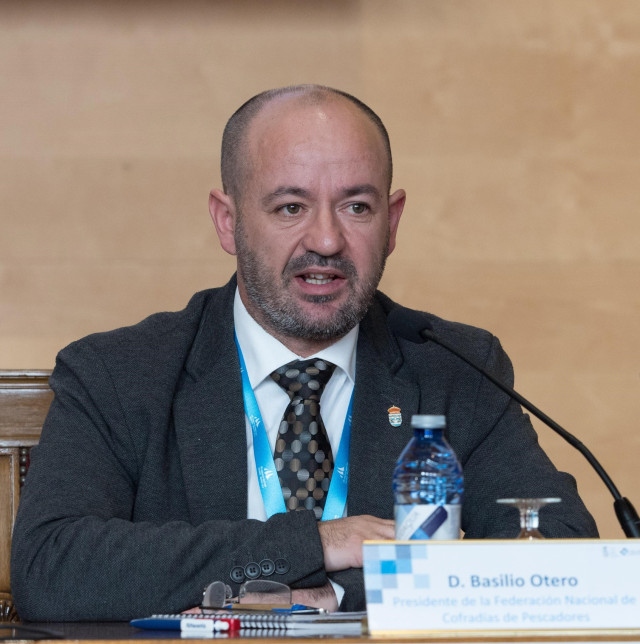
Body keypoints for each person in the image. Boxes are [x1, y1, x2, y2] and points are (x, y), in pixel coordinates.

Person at [10, 85, 598, 622]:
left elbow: (560, 557)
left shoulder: (454, 368)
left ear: (391, 224)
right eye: (290, 207)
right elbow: (51, 568)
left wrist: (341, 594)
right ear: (228, 222)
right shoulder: (120, 374)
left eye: (356, 207)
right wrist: (315, 544)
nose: (325, 240)